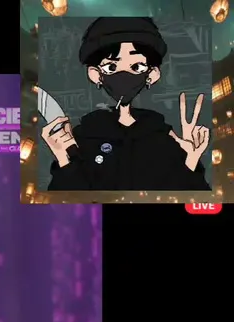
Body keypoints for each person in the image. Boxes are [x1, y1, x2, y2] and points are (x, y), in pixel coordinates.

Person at [43, 16, 211, 192]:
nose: (124, 75)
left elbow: (186, 196)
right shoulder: (82, 138)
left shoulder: (163, 137)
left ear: (152, 74)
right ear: (95, 74)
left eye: (137, 67)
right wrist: (63, 156)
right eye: (111, 67)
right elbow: (67, 201)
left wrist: (191, 159)